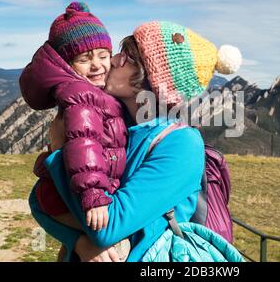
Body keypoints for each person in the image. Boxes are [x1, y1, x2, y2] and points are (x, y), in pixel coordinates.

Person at [29, 21, 242, 262]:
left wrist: (60, 150)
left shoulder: (182, 145)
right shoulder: (116, 126)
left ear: (152, 82)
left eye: (129, 58)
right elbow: (39, 199)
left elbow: (108, 228)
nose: (115, 59)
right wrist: (78, 243)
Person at [20, 2, 130, 259]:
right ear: (67, 65)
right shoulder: (81, 96)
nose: (97, 65)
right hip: (76, 195)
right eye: (84, 59)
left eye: (103, 56)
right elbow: (84, 142)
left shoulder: (97, 94)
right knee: (115, 249)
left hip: (71, 193)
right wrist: (94, 195)